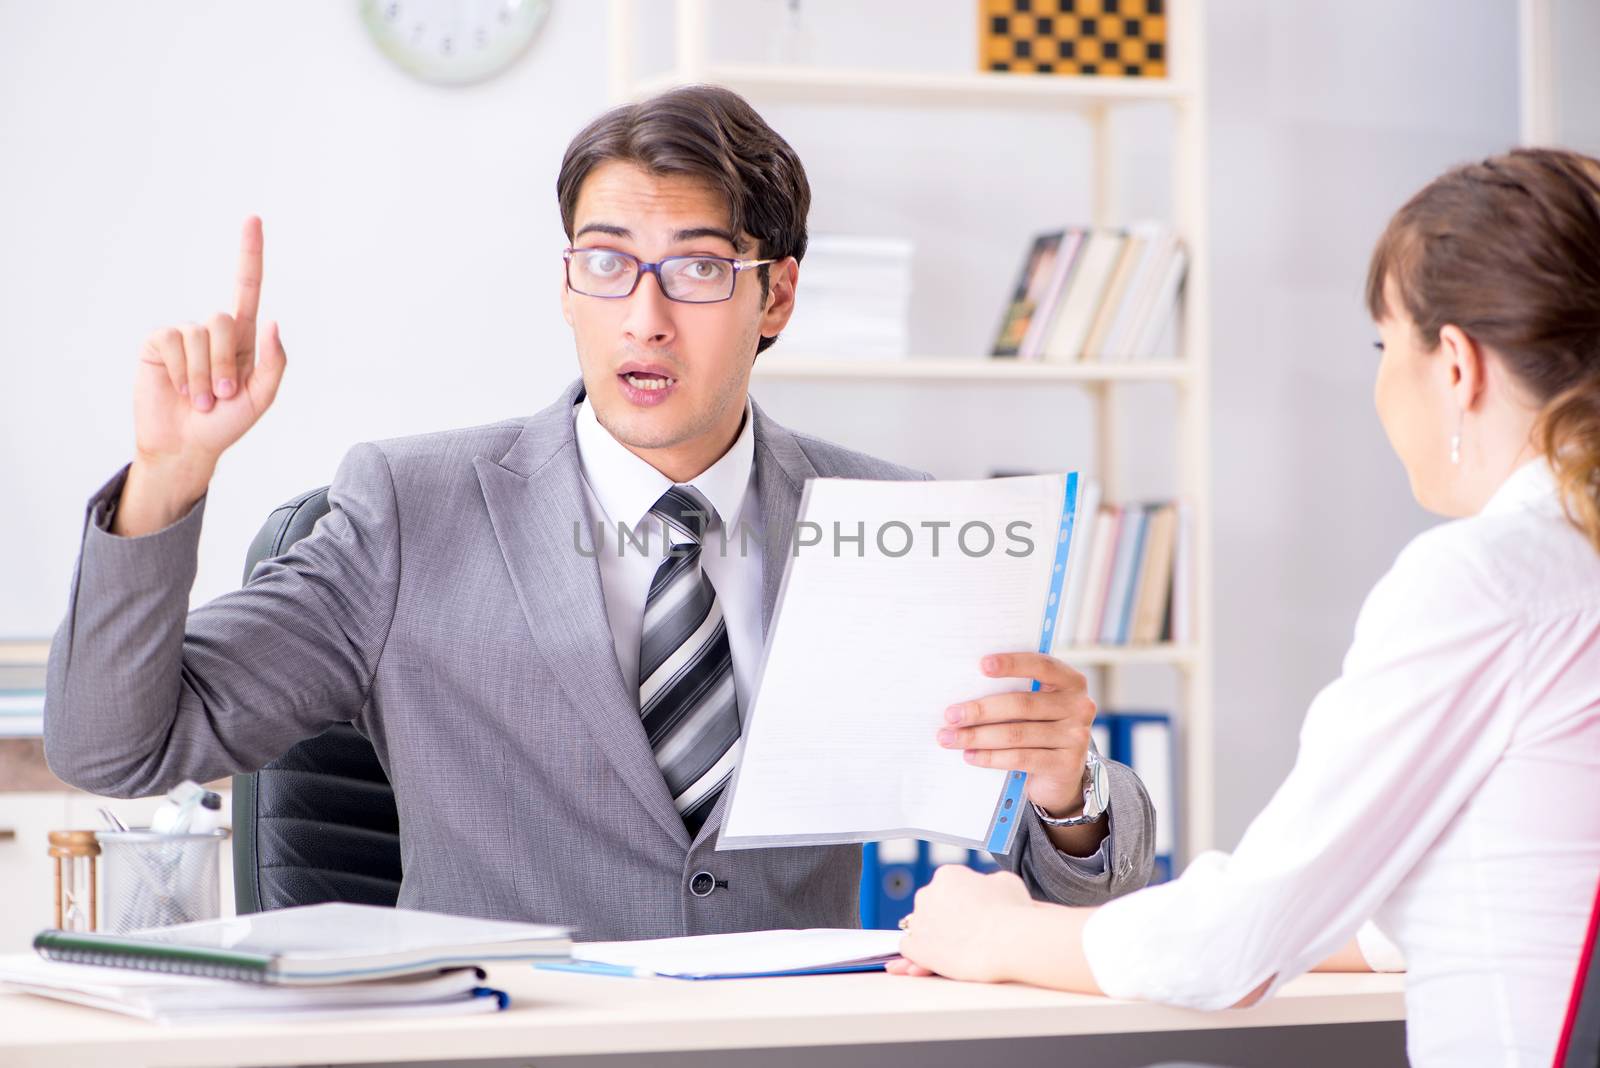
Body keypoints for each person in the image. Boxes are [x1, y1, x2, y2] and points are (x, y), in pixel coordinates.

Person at [43, 85, 1155, 940]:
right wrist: (167, 479)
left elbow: (1086, 896)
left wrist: (1070, 789)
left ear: (777, 295)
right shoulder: (407, 510)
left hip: (799, 1045)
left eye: (700, 270)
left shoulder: (891, 521)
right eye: (608, 265)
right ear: (567, 284)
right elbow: (114, 748)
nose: (646, 316)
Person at [890, 146, 1600, 1067]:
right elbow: (1515, 882)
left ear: (1456, 365)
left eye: (1388, 347)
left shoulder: (1487, 582)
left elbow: (1240, 947)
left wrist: (996, 934)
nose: (1383, 383)